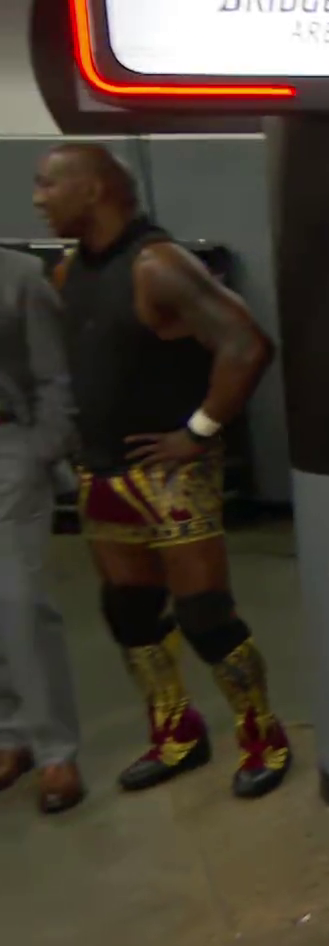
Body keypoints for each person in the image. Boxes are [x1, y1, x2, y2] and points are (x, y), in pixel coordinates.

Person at [32, 143, 288, 800]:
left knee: (205, 616)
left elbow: (246, 344)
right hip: (102, 470)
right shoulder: (70, 270)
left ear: (92, 189)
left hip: (170, 477)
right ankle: (177, 732)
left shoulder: (158, 265)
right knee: (129, 612)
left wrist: (197, 431)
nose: (37, 199)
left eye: (48, 185)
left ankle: (262, 735)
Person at [0, 247, 86, 813]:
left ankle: (56, 750)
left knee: (19, 601)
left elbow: (57, 375)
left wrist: (40, 452)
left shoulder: (20, 277)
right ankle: (10, 737)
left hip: (9, 447)